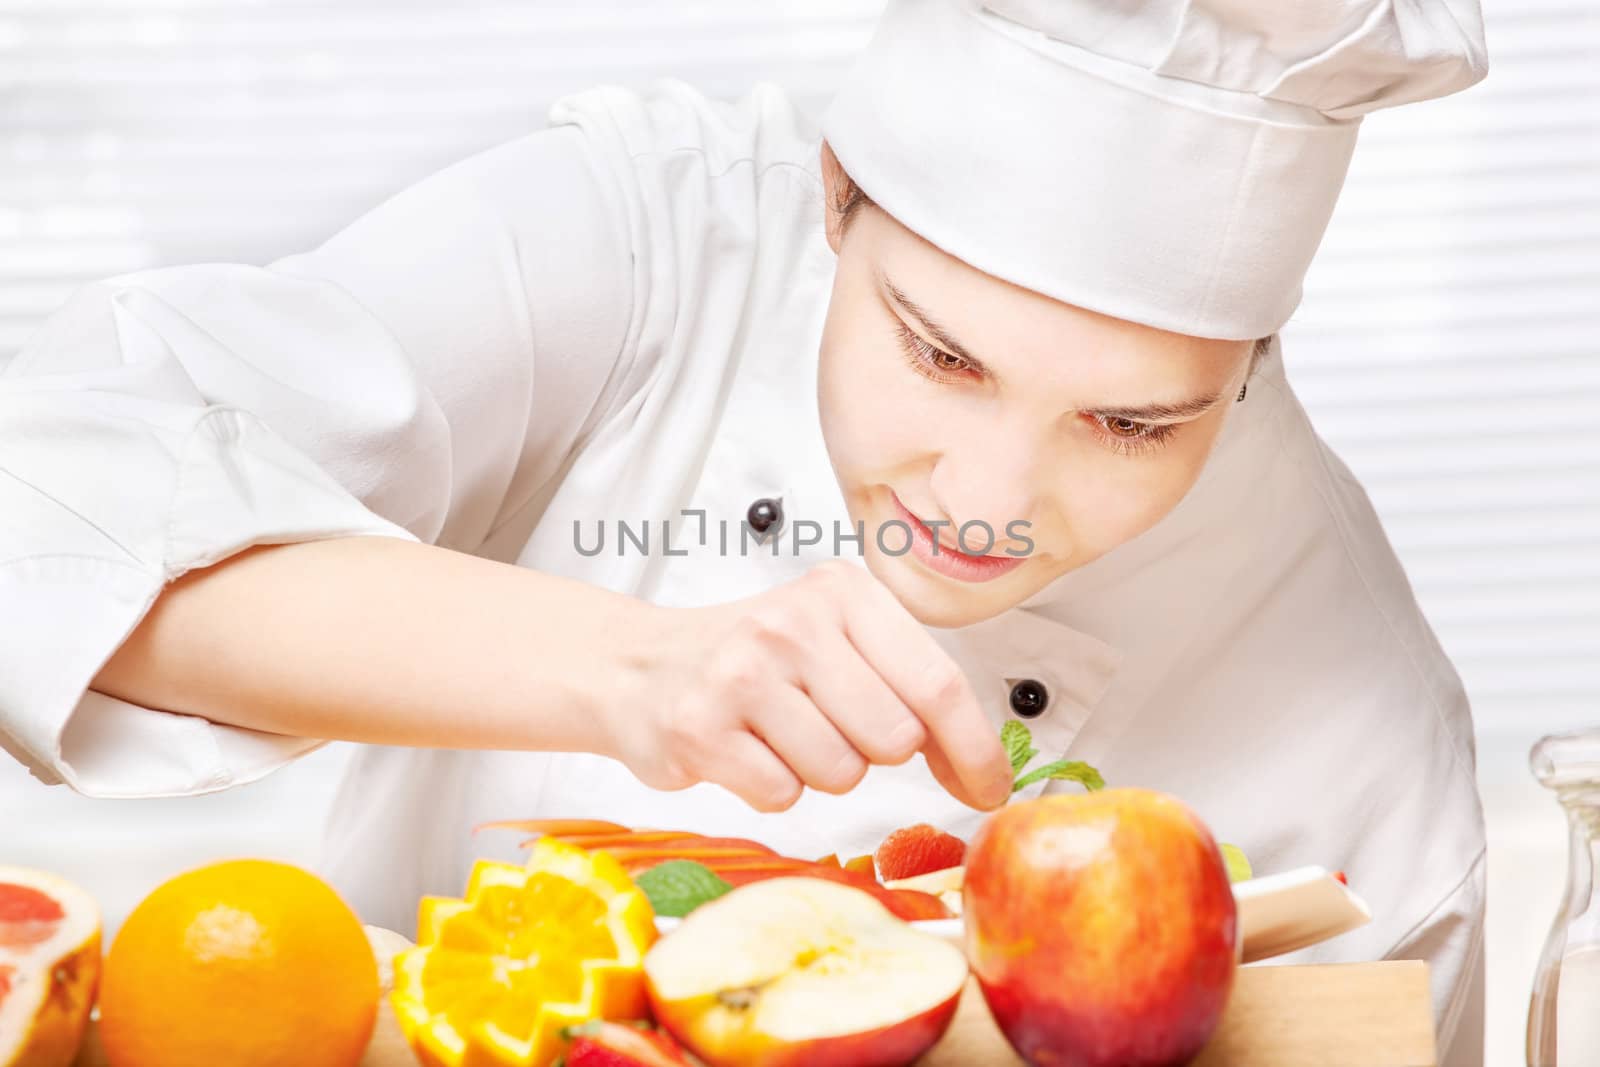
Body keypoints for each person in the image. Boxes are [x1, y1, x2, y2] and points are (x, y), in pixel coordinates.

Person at [0, 1, 1489, 1061]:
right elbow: (46, 503)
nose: (985, 495)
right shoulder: (650, 249)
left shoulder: (1361, 729)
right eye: (939, 354)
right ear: (834, 197)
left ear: (1250, 370)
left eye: (1136, 425)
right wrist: (625, 669)